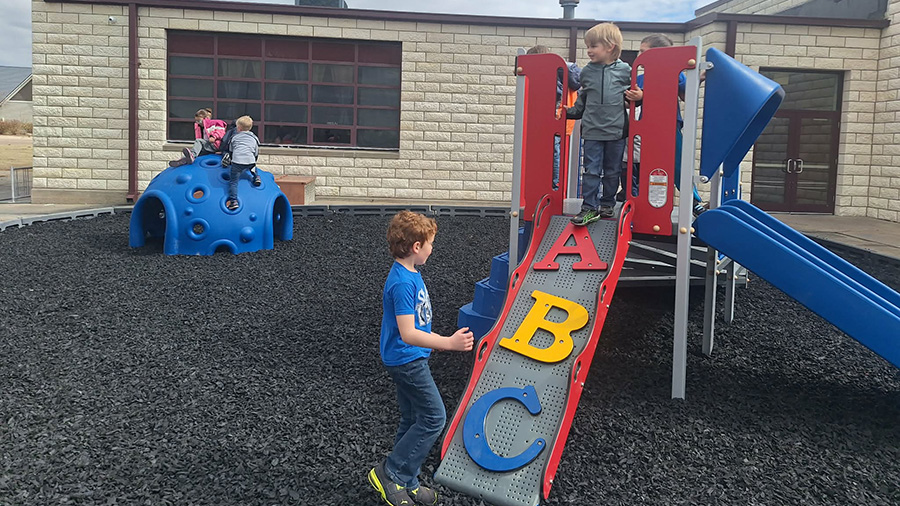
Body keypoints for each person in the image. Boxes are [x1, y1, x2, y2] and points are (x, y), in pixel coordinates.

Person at [368, 210, 475, 506]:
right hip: (406, 359)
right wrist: (448, 343)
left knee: (413, 417)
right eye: (430, 243)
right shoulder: (403, 283)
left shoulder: (410, 274)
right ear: (416, 247)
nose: (432, 248)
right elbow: (408, 333)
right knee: (433, 417)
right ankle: (391, 473)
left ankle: (408, 481)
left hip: (410, 357)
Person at [622, 34, 707, 216]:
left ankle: (694, 202)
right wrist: (636, 97)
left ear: (659, 54)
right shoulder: (642, 78)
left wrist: (698, 78)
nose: (640, 57)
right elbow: (635, 100)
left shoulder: (676, 74)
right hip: (648, 127)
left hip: (670, 126)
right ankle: (645, 204)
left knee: (678, 165)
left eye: (644, 52)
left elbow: (684, 95)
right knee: (648, 167)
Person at [564, 22, 631, 225]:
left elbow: (633, 96)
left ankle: (607, 203)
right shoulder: (587, 72)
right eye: (588, 46)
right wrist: (570, 113)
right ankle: (589, 207)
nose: (589, 51)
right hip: (592, 130)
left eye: (593, 46)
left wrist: (639, 97)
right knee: (591, 170)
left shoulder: (625, 71)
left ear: (610, 46)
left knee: (612, 171)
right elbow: (583, 98)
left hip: (616, 131)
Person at [526, 45, 581, 190]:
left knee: (552, 153)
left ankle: (553, 184)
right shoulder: (566, 73)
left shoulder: (552, 73)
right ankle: (554, 184)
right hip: (564, 118)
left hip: (555, 118)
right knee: (554, 152)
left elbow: (552, 95)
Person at [224, 115, 260, 211]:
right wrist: (254, 161)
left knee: (233, 182)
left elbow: (231, 151)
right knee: (253, 166)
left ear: (238, 128)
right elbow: (256, 152)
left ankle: (233, 201)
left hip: (237, 162)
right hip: (250, 161)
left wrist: (230, 160)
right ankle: (256, 177)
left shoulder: (234, 138)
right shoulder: (254, 138)